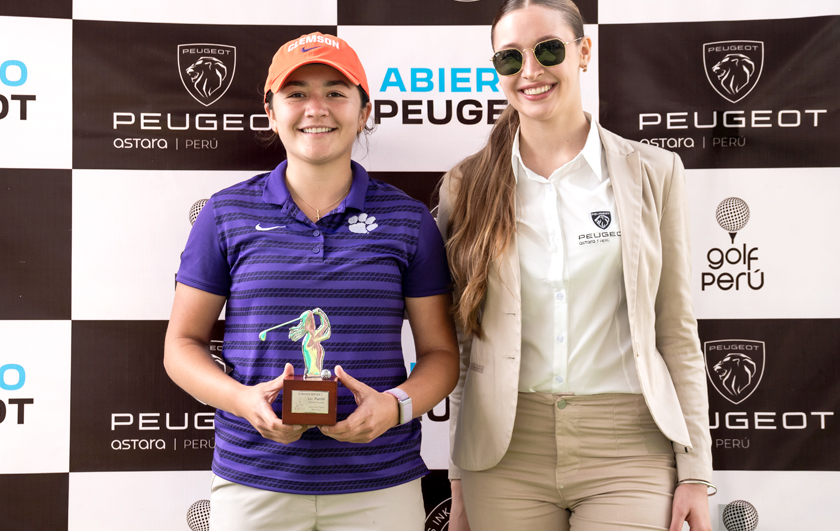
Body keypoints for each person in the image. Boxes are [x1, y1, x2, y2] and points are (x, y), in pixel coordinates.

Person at [164, 32, 459, 531]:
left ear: (364, 112)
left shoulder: (408, 220)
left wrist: (394, 408)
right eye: (296, 93)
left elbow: (441, 355)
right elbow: (181, 346)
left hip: (379, 480)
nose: (316, 109)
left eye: (336, 93)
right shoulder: (225, 213)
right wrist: (243, 402)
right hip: (254, 477)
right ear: (271, 112)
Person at [436, 2, 714, 530]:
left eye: (548, 50)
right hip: (503, 455)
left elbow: (676, 332)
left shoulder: (654, 171)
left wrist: (695, 471)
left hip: (630, 446)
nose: (530, 70)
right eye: (510, 57)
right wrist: (457, 477)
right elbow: (466, 347)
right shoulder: (465, 185)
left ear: (584, 52)